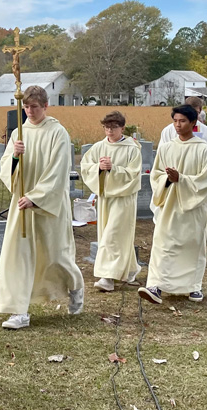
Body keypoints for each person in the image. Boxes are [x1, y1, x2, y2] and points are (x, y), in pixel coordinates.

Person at [0, 85, 85, 329]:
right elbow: (6, 168)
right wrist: (15, 156)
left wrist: (36, 198)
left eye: (34, 106)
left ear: (45, 106)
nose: (29, 111)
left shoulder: (58, 133)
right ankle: (19, 311)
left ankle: (75, 286)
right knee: (18, 257)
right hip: (21, 205)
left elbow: (58, 171)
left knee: (55, 256)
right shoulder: (18, 134)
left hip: (47, 205)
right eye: (26, 107)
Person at [139, 105, 207, 305]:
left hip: (192, 207)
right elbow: (155, 175)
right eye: (175, 121)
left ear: (193, 123)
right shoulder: (166, 147)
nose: (178, 125)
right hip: (169, 205)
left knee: (191, 245)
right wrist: (167, 179)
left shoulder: (203, 149)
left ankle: (193, 287)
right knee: (163, 244)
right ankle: (155, 285)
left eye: (182, 121)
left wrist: (181, 179)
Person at [80, 111, 142, 292]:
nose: (109, 131)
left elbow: (134, 173)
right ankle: (130, 268)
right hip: (105, 196)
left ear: (122, 128)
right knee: (111, 233)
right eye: (106, 127)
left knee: (114, 234)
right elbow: (86, 166)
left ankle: (107, 276)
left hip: (124, 197)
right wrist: (98, 168)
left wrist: (113, 169)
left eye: (114, 127)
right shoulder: (99, 147)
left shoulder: (132, 148)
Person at [158, 96, 207, 221]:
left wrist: (184, 178)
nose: (178, 125)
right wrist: (169, 177)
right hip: (172, 186)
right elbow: (161, 160)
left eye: (194, 114)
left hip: (197, 183)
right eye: (176, 120)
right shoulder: (168, 131)